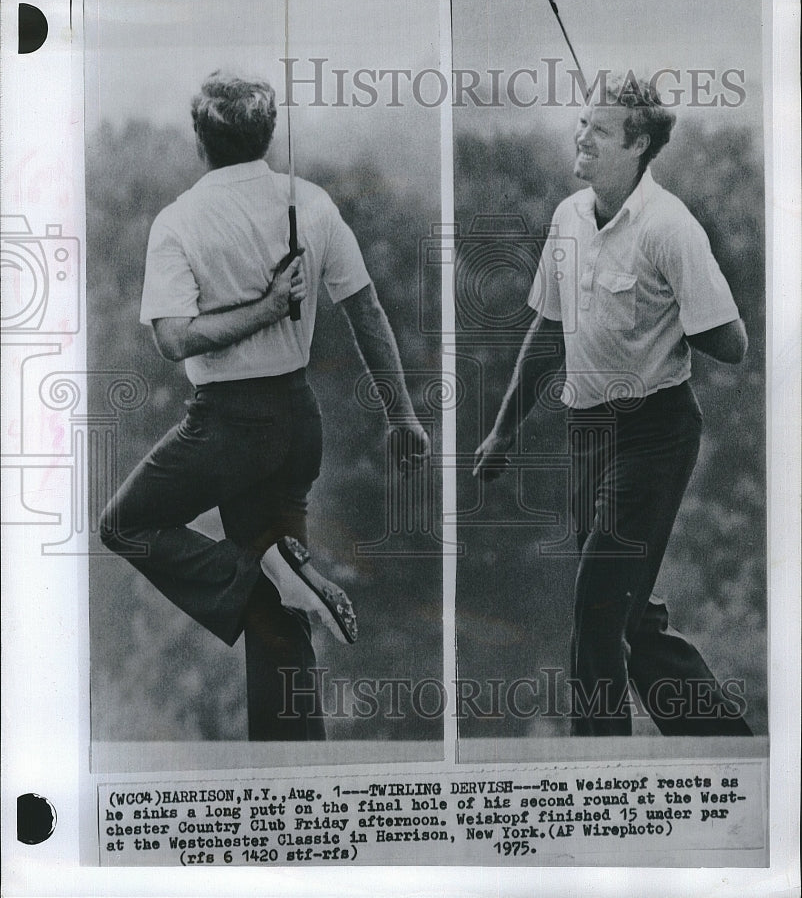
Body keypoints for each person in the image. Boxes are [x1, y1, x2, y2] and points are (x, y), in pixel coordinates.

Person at [100, 71, 429, 741]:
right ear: (269, 133)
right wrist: (402, 413)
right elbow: (366, 311)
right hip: (294, 421)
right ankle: (296, 783)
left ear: (200, 139)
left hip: (227, 425)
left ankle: (260, 579)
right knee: (284, 640)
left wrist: (264, 308)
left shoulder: (180, 220)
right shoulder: (312, 203)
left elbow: (173, 339)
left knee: (125, 525)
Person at [473, 73, 752, 736]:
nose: (582, 137)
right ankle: (723, 744)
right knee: (628, 617)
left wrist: (677, 305)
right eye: (583, 124)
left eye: (597, 130)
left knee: (597, 607)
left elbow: (733, 343)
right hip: (587, 432)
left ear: (638, 145)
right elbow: (546, 332)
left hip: (655, 435)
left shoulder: (670, 229)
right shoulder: (570, 216)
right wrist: (503, 433)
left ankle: (597, 772)